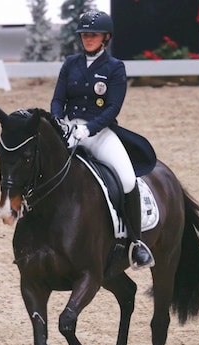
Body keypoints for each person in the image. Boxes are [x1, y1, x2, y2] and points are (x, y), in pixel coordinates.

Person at [51, 10, 154, 270]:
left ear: (105, 38)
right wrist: (58, 121)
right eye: (84, 35)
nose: (87, 39)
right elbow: (58, 99)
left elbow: (112, 108)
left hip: (100, 132)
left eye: (93, 35)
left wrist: (89, 129)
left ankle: (136, 243)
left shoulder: (114, 68)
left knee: (128, 179)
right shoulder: (70, 64)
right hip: (69, 129)